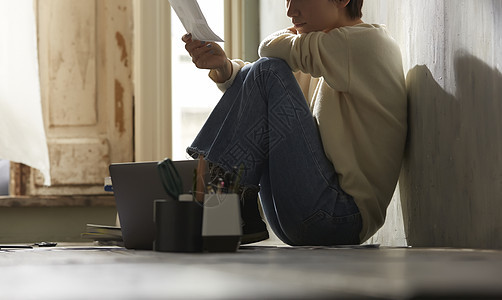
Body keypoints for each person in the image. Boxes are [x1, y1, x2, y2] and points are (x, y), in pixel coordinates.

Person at [182, 0, 407, 246]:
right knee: (264, 72)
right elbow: (259, 87)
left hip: (341, 216)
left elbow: (268, 49)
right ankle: (224, 204)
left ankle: (217, 202)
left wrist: (284, 43)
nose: (290, 11)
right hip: (304, 215)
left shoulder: (368, 43)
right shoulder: (322, 53)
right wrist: (224, 68)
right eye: (287, 1)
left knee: (268, 70)